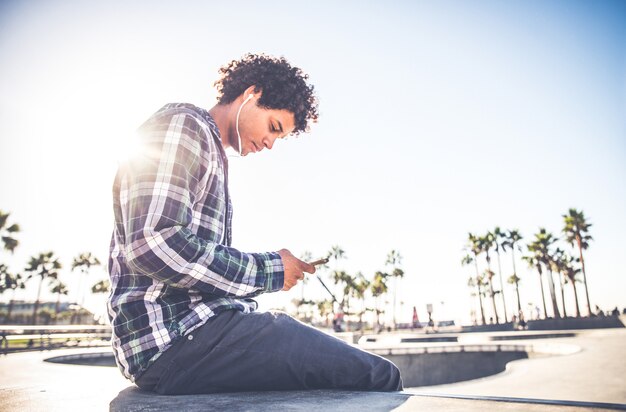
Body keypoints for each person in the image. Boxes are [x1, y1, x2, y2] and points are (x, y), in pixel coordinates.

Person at [107, 54, 403, 395]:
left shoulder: (207, 148)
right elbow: (154, 244)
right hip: (175, 339)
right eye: (273, 127)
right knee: (379, 376)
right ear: (251, 94)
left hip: (191, 336)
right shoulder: (184, 127)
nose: (269, 143)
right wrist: (271, 269)